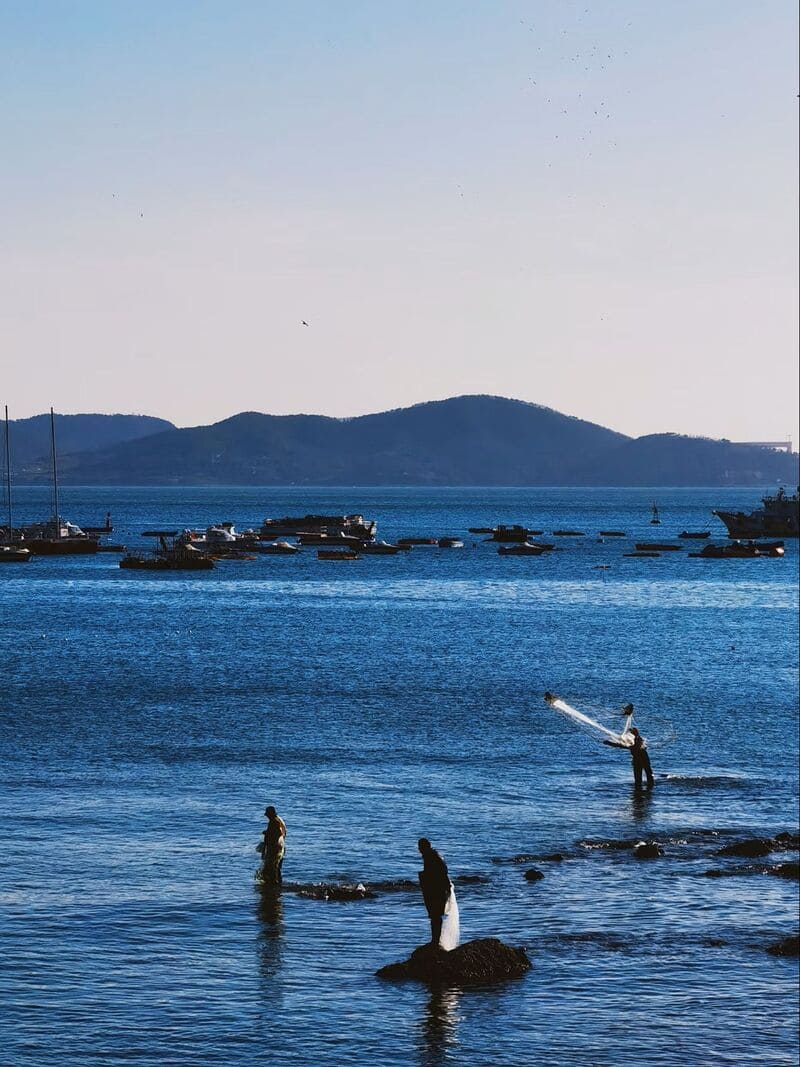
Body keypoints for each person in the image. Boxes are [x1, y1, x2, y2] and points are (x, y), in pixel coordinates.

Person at [417, 838, 451, 947]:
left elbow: (436, 875)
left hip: (436, 890)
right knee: (435, 916)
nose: (419, 849)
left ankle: (435, 941)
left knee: (435, 916)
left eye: (420, 847)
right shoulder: (434, 856)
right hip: (438, 889)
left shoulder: (430, 857)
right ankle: (435, 940)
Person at [257, 805, 287, 885]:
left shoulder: (274, 822)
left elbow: (277, 833)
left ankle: (274, 884)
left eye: (267, 814)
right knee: (276, 867)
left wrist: (267, 834)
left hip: (275, 848)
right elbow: (281, 833)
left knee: (272, 867)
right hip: (278, 847)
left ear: (270, 814)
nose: (266, 816)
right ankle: (276, 883)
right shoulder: (278, 820)